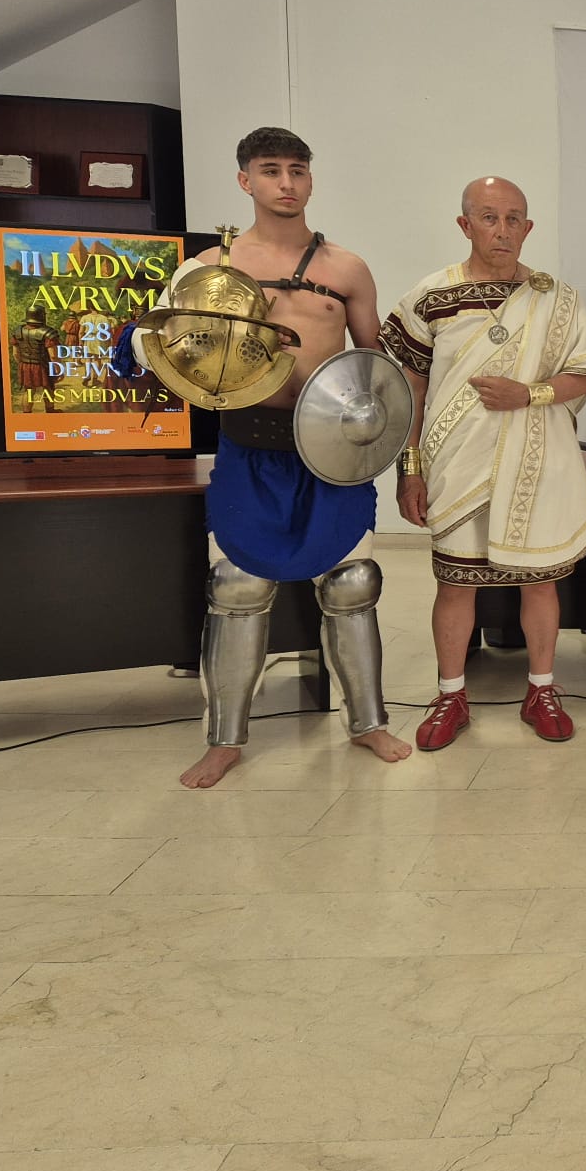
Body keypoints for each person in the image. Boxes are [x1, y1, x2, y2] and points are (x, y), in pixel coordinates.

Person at [179, 126, 412, 788]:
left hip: (331, 444)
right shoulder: (208, 268)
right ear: (245, 181)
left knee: (351, 585)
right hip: (248, 439)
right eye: (271, 170)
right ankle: (225, 739)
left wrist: (399, 451)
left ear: (311, 180)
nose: (286, 183)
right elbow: (175, 349)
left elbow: (377, 365)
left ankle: (367, 723)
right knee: (237, 588)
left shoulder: (346, 269)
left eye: (298, 171)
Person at [381, 177, 586, 750]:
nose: (502, 231)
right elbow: (409, 385)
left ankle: (543, 689)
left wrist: (528, 395)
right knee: (455, 583)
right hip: (456, 463)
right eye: (488, 217)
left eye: (513, 219)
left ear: (528, 228)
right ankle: (451, 693)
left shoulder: (558, 297)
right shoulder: (430, 296)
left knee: (540, 582)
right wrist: (410, 467)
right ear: (465, 225)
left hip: (538, 461)